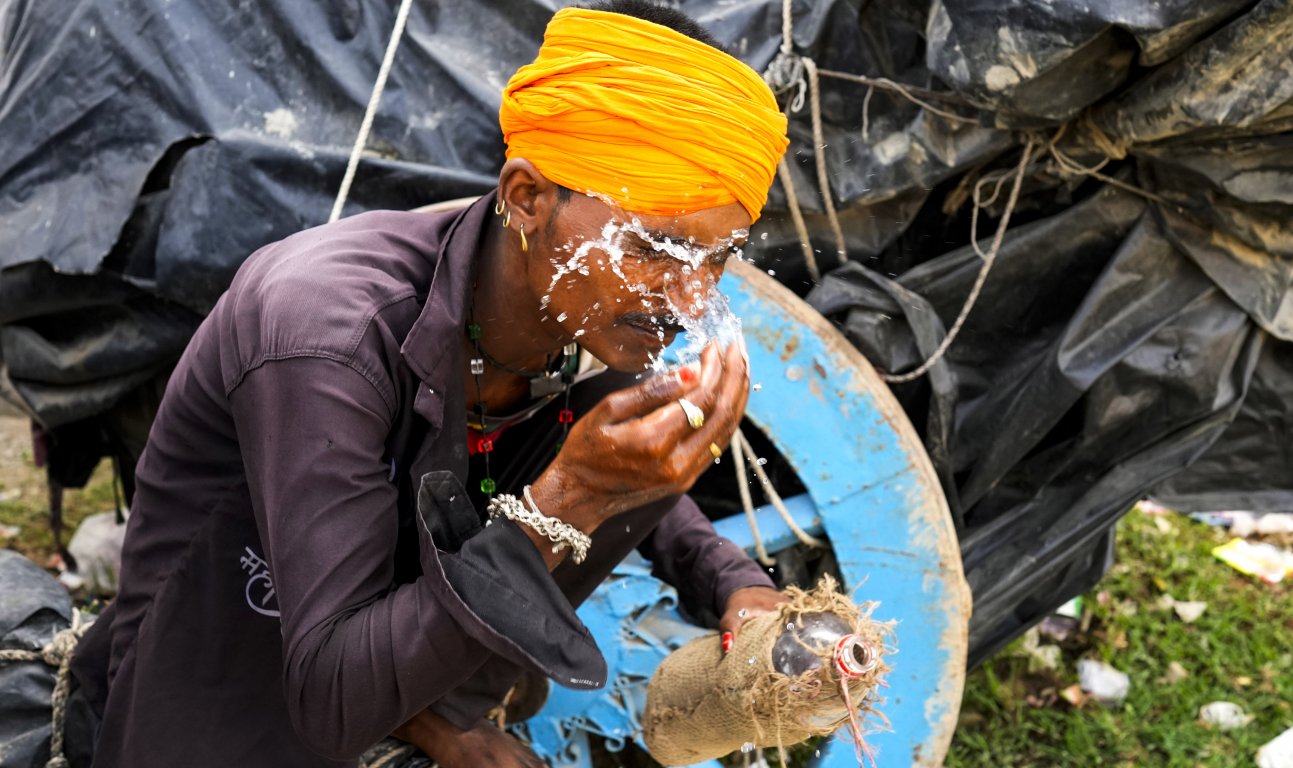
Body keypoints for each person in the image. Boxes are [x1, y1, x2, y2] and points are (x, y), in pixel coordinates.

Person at [68, 1, 792, 766]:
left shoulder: (580, 309)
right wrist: (570, 496)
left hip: (399, 677)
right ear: (526, 198)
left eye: (717, 259)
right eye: (653, 245)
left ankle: (429, 716)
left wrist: (734, 582)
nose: (689, 297)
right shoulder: (326, 333)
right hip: (226, 707)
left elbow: (615, 461)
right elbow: (330, 698)